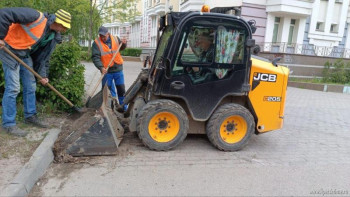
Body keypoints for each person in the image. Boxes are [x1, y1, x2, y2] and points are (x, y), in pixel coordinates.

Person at [0, 8, 71, 137]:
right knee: (13, 88)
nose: (62, 29)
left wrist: (43, 75)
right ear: (57, 21)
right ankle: (8, 124)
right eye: (62, 26)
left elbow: (44, 57)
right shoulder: (35, 17)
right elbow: (4, 13)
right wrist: (0, 36)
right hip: (8, 49)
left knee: (31, 85)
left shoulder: (53, 36)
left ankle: (30, 116)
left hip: (24, 53)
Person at [91, 26, 127, 111]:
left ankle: (123, 108)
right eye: (101, 36)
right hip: (106, 71)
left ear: (108, 33)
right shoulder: (96, 43)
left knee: (121, 89)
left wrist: (124, 43)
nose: (102, 38)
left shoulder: (115, 38)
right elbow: (95, 57)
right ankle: (111, 109)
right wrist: (101, 67)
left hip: (118, 69)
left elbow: (121, 48)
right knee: (108, 92)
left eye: (104, 36)